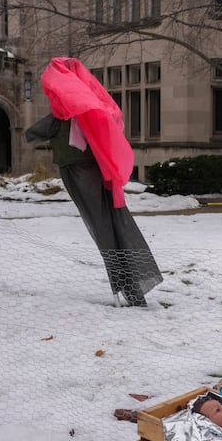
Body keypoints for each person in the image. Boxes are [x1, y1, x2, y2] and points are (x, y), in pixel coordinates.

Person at [25, 57, 162, 307]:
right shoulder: (89, 110)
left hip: (79, 170)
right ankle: (132, 287)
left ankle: (128, 285)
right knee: (110, 222)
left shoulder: (66, 114)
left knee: (102, 225)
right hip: (97, 170)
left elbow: (34, 132)